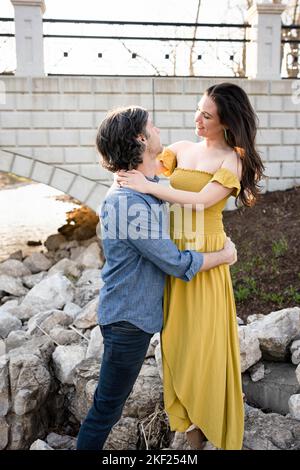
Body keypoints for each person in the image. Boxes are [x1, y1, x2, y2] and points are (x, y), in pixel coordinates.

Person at [76, 105, 238, 450]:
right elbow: (176, 263)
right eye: (154, 126)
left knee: (109, 404)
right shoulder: (128, 202)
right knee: (107, 407)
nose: (161, 131)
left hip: (139, 316)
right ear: (140, 138)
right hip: (127, 321)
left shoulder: (143, 188)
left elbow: (179, 189)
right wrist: (223, 255)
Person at [116, 83, 265, 450]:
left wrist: (151, 189)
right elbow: (145, 166)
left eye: (207, 115)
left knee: (206, 345)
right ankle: (191, 427)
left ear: (226, 121)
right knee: (178, 346)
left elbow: (200, 201)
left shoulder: (233, 159)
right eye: (198, 110)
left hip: (208, 258)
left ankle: (206, 429)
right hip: (173, 256)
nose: (197, 119)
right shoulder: (181, 149)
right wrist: (125, 174)